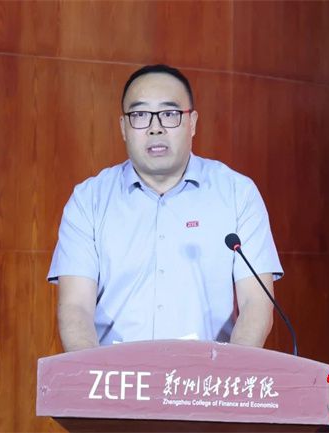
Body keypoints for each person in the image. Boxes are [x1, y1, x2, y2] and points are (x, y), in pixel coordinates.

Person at [48, 64, 283, 352]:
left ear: (192, 123)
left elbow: (256, 302)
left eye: (170, 114)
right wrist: (94, 374)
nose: (155, 127)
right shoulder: (88, 200)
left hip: (207, 375)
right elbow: (76, 307)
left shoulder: (238, 193)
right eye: (140, 115)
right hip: (117, 375)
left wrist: (231, 373)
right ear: (123, 127)